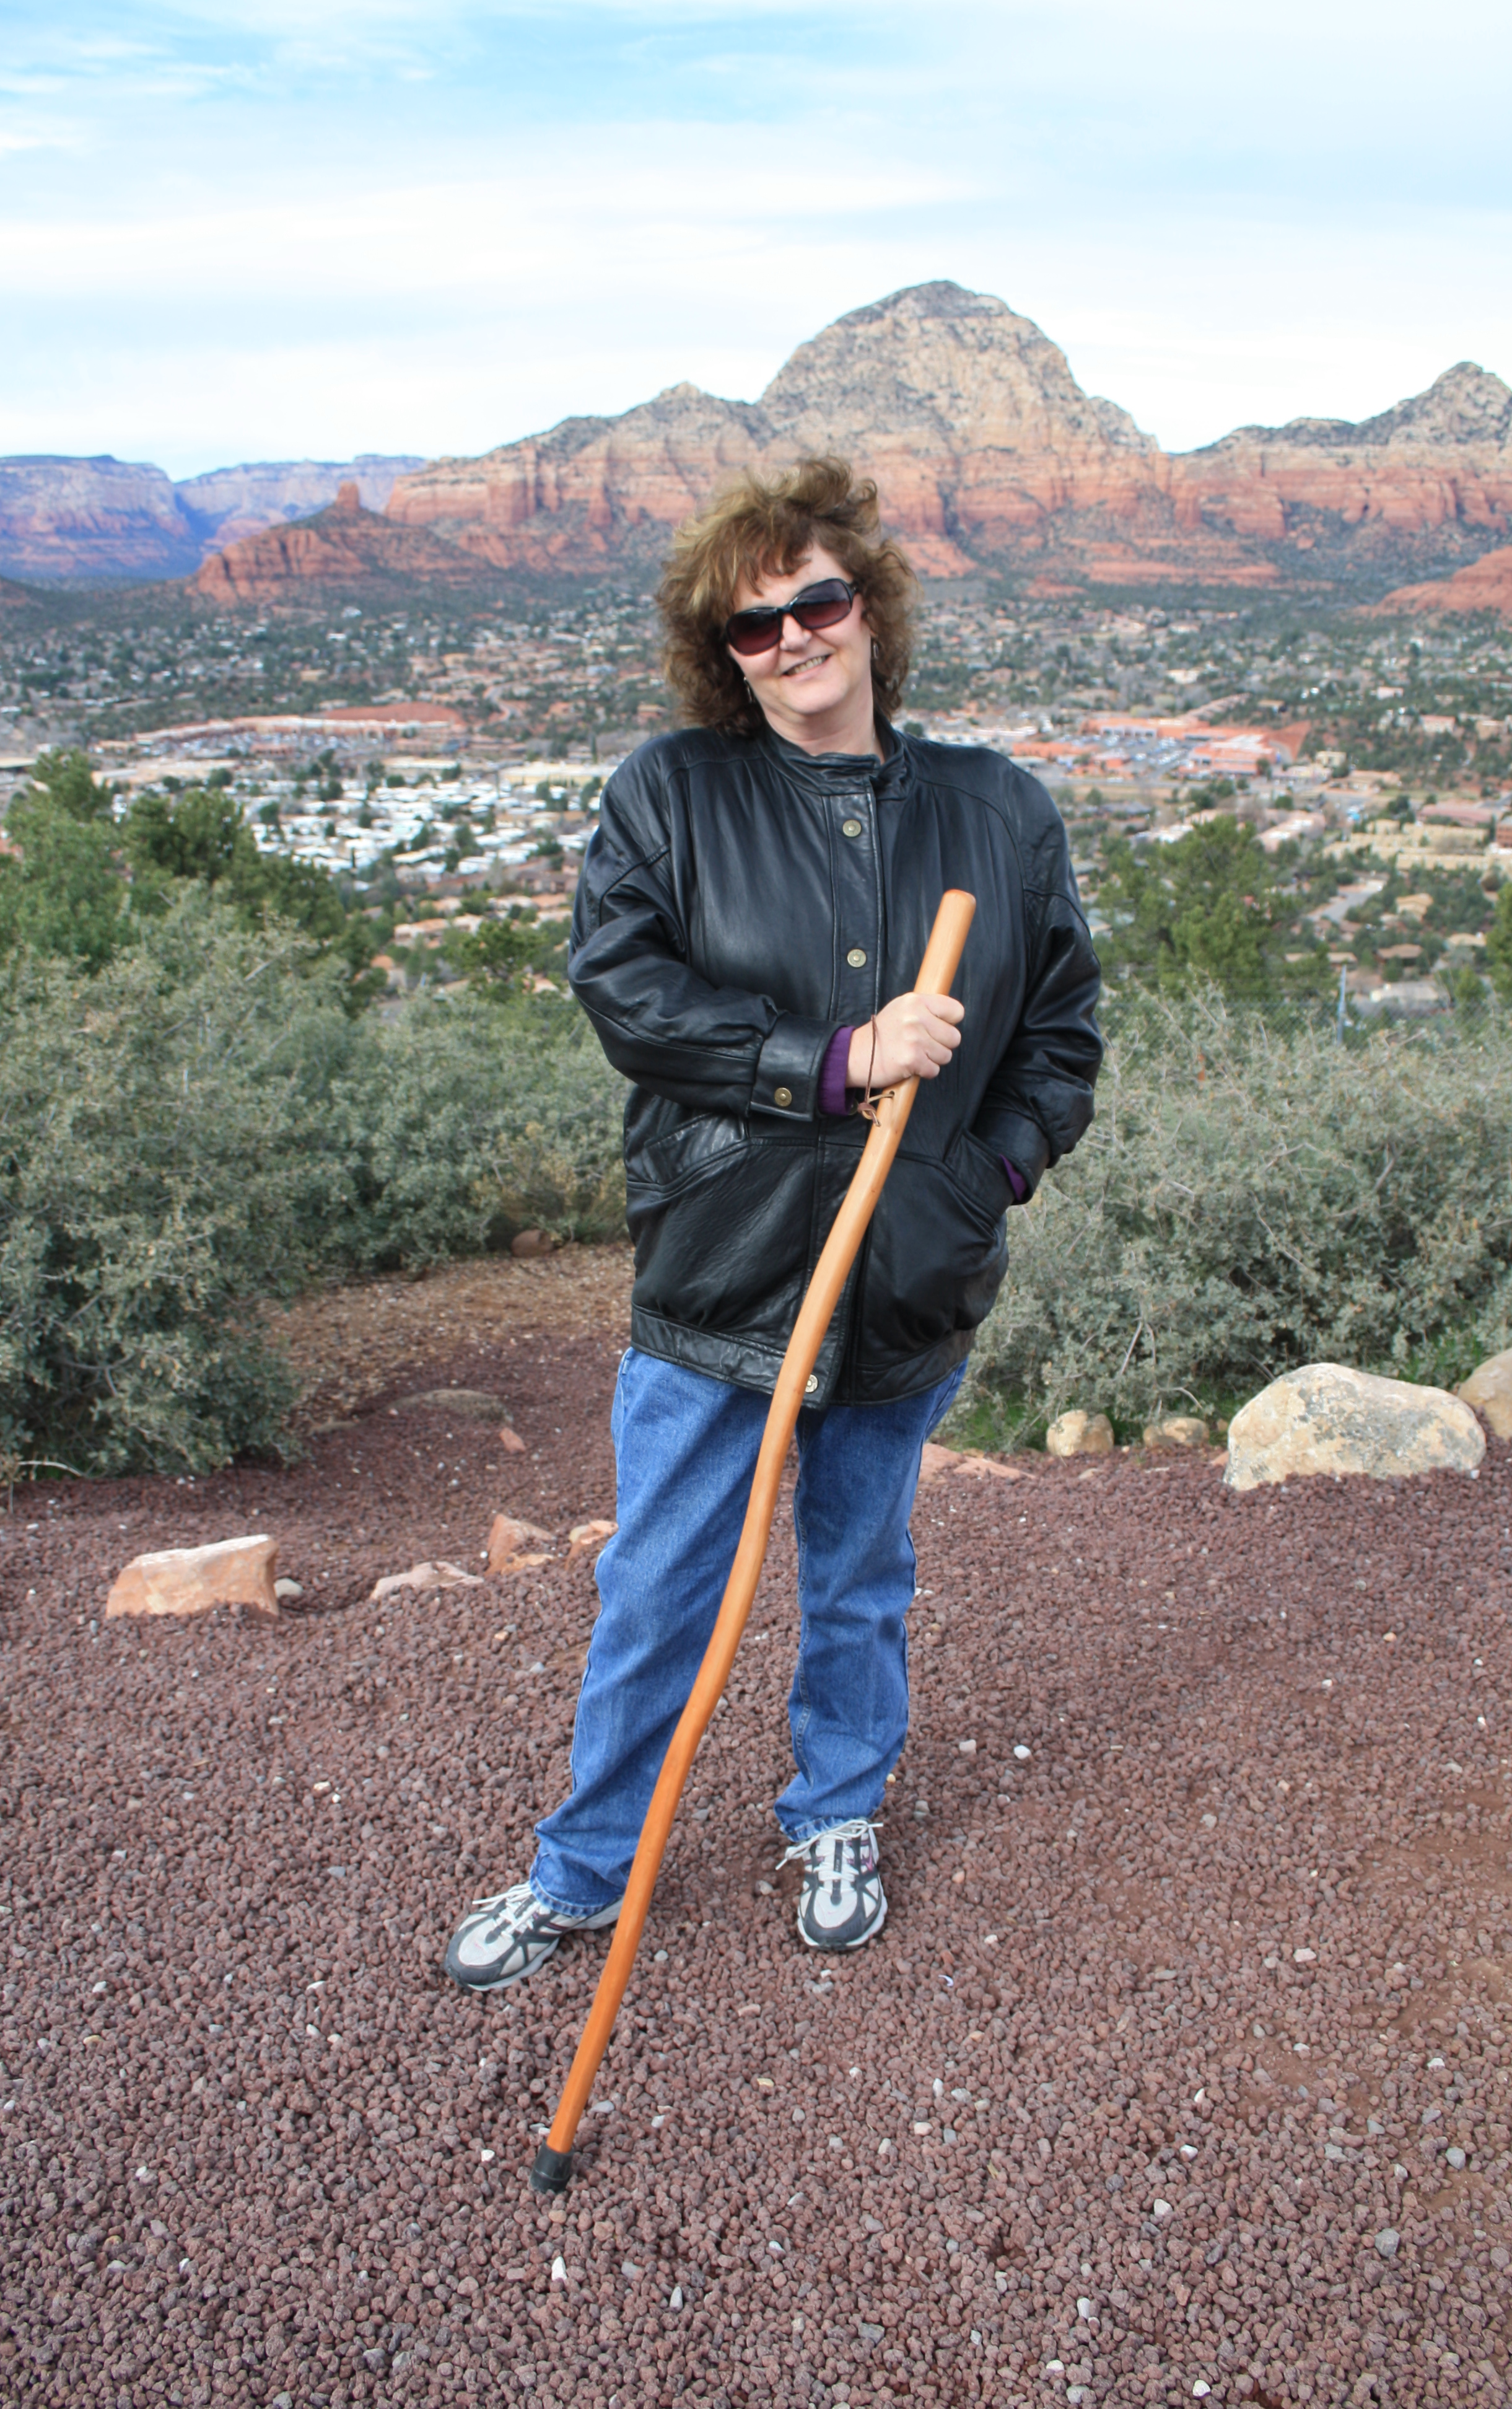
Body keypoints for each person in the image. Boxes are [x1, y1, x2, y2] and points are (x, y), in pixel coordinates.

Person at [444, 455, 1101, 1991]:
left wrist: (984, 1177)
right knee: (660, 1588)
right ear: (722, 653)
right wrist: (836, 1059)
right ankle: (586, 1871)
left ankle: (837, 1814)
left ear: (871, 610)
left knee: (859, 1578)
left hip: (907, 1274)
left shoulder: (996, 811)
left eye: (819, 601)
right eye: (756, 624)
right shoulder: (670, 793)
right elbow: (629, 997)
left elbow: (1062, 1035)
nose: (796, 637)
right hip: (722, 1275)